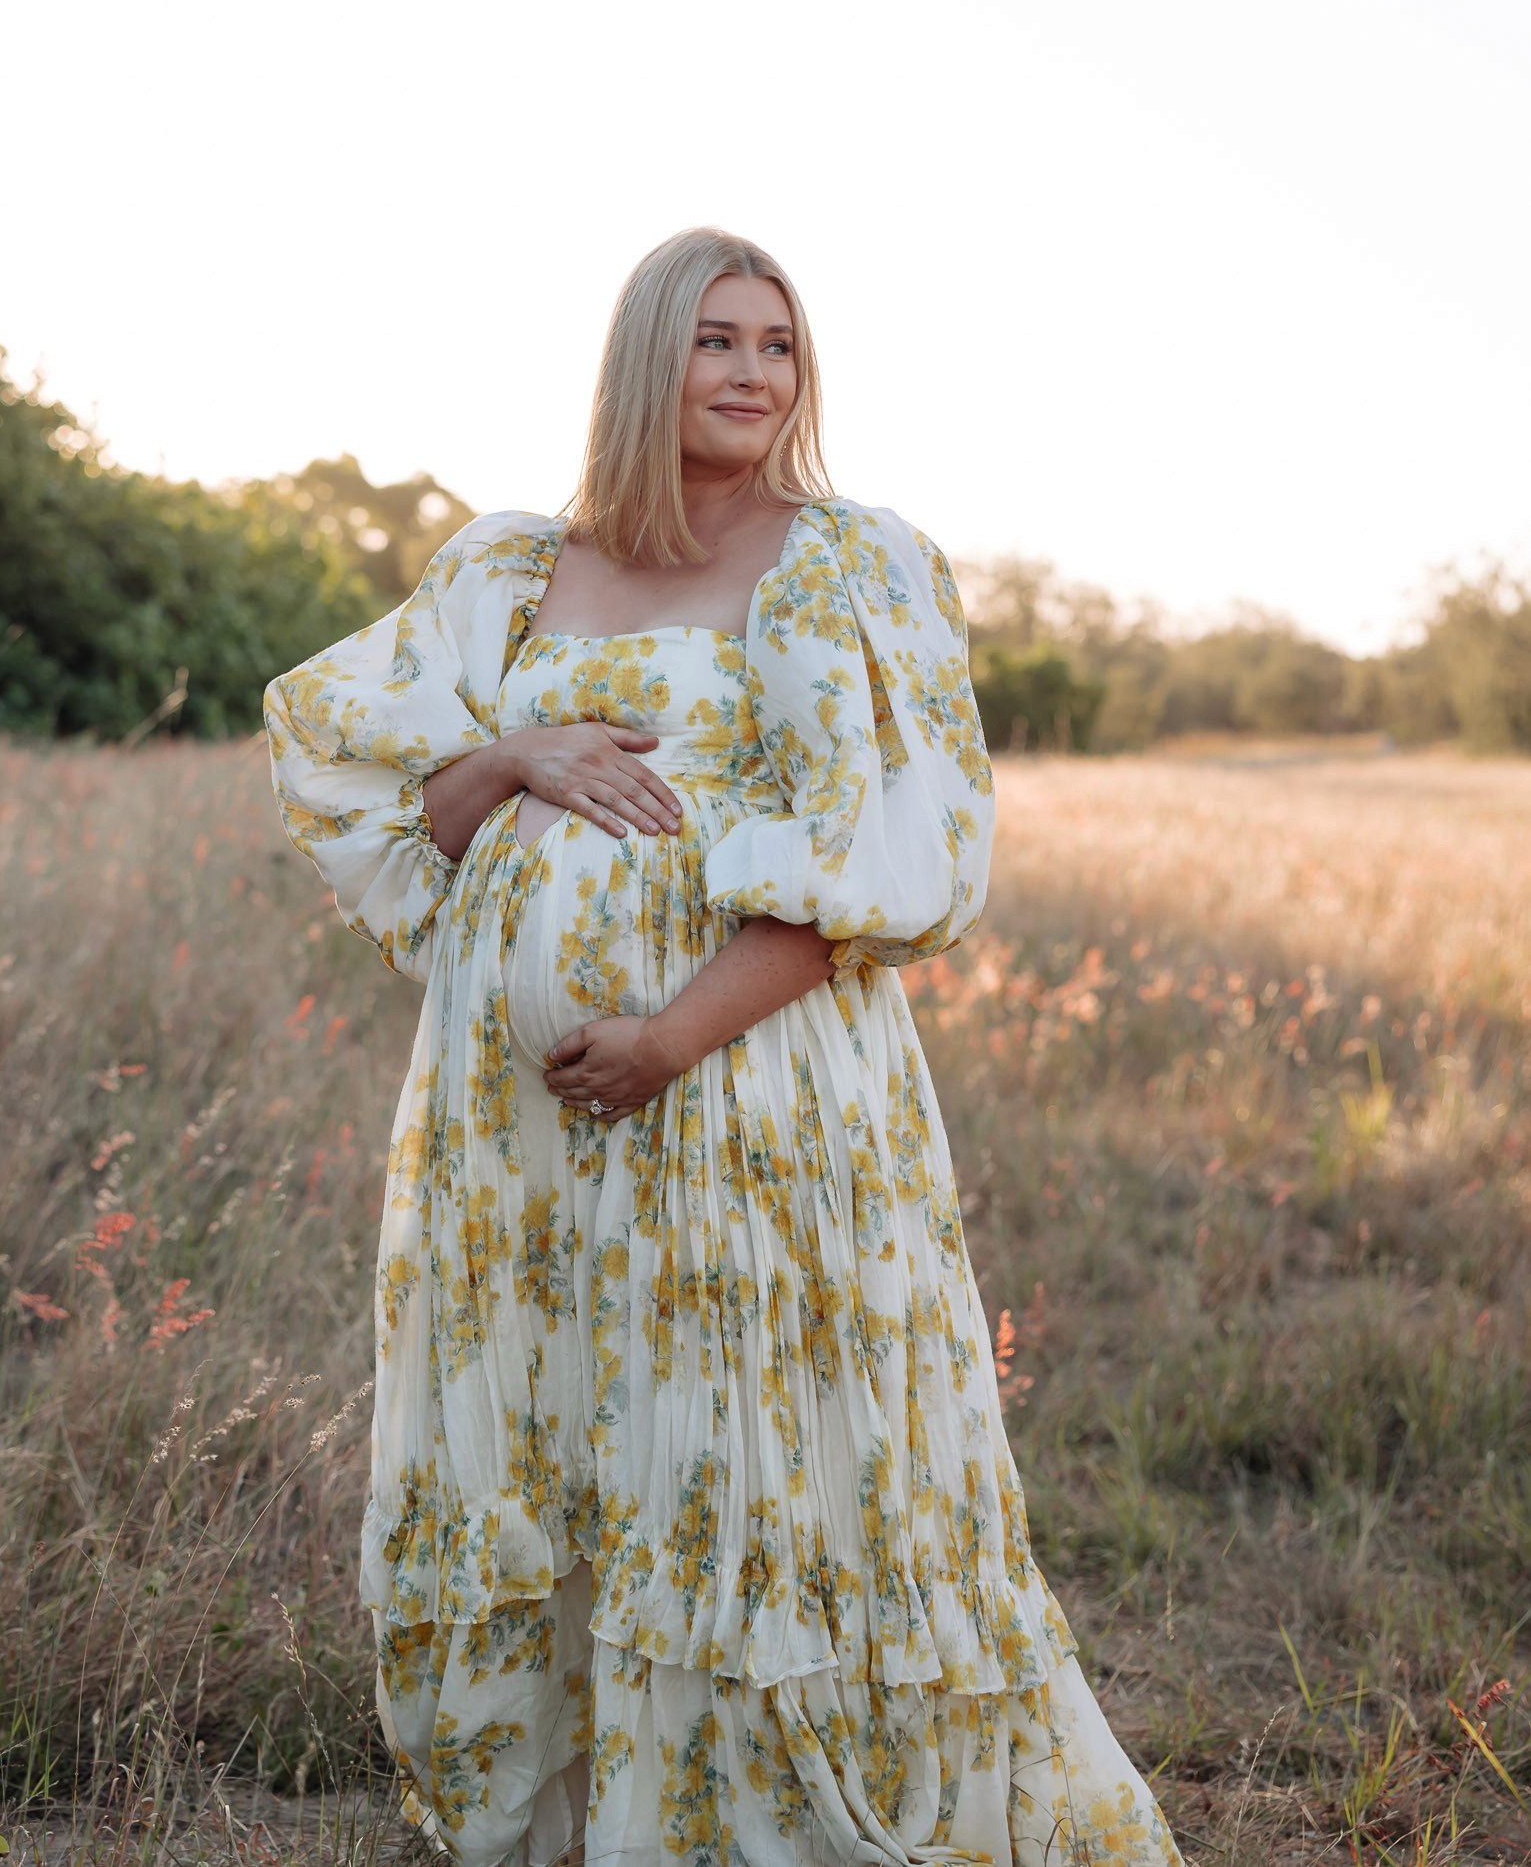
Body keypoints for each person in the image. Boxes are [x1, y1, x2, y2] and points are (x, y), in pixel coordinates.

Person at [265, 229, 1182, 1867]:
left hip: (752, 1093)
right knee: (554, 1430)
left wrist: (670, 1037)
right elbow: (401, 814)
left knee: (749, 1442)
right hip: (513, 1123)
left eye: (779, 343)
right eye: (715, 342)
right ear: (644, 365)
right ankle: (580, 1812)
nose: (755, 371)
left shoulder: (848, 567)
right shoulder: (509, 573)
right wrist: (522, 754)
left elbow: (878, 867)